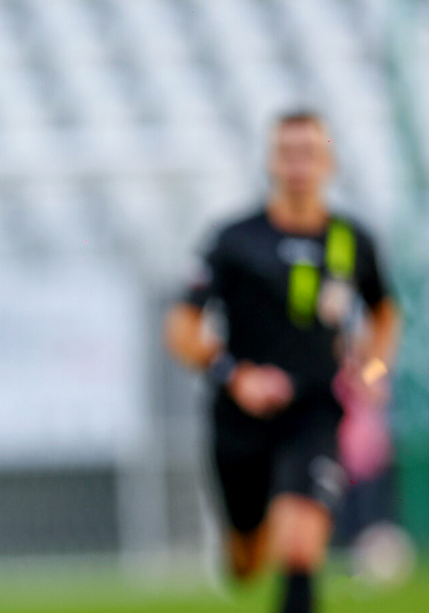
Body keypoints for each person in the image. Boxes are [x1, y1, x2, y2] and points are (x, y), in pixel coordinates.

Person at [165, 111, 400, 613]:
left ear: (328, 162)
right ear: (271, 162)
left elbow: (384, 312)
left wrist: (374, 368)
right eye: (288, 154)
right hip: (241, 417)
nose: (298, 165)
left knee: (299, 546)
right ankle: (245, 540)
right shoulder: (234, 240)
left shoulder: (350, 240)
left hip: (315, 410)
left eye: (308, 153)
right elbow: (181, 326)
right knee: (247, 563)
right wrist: (235, 375)